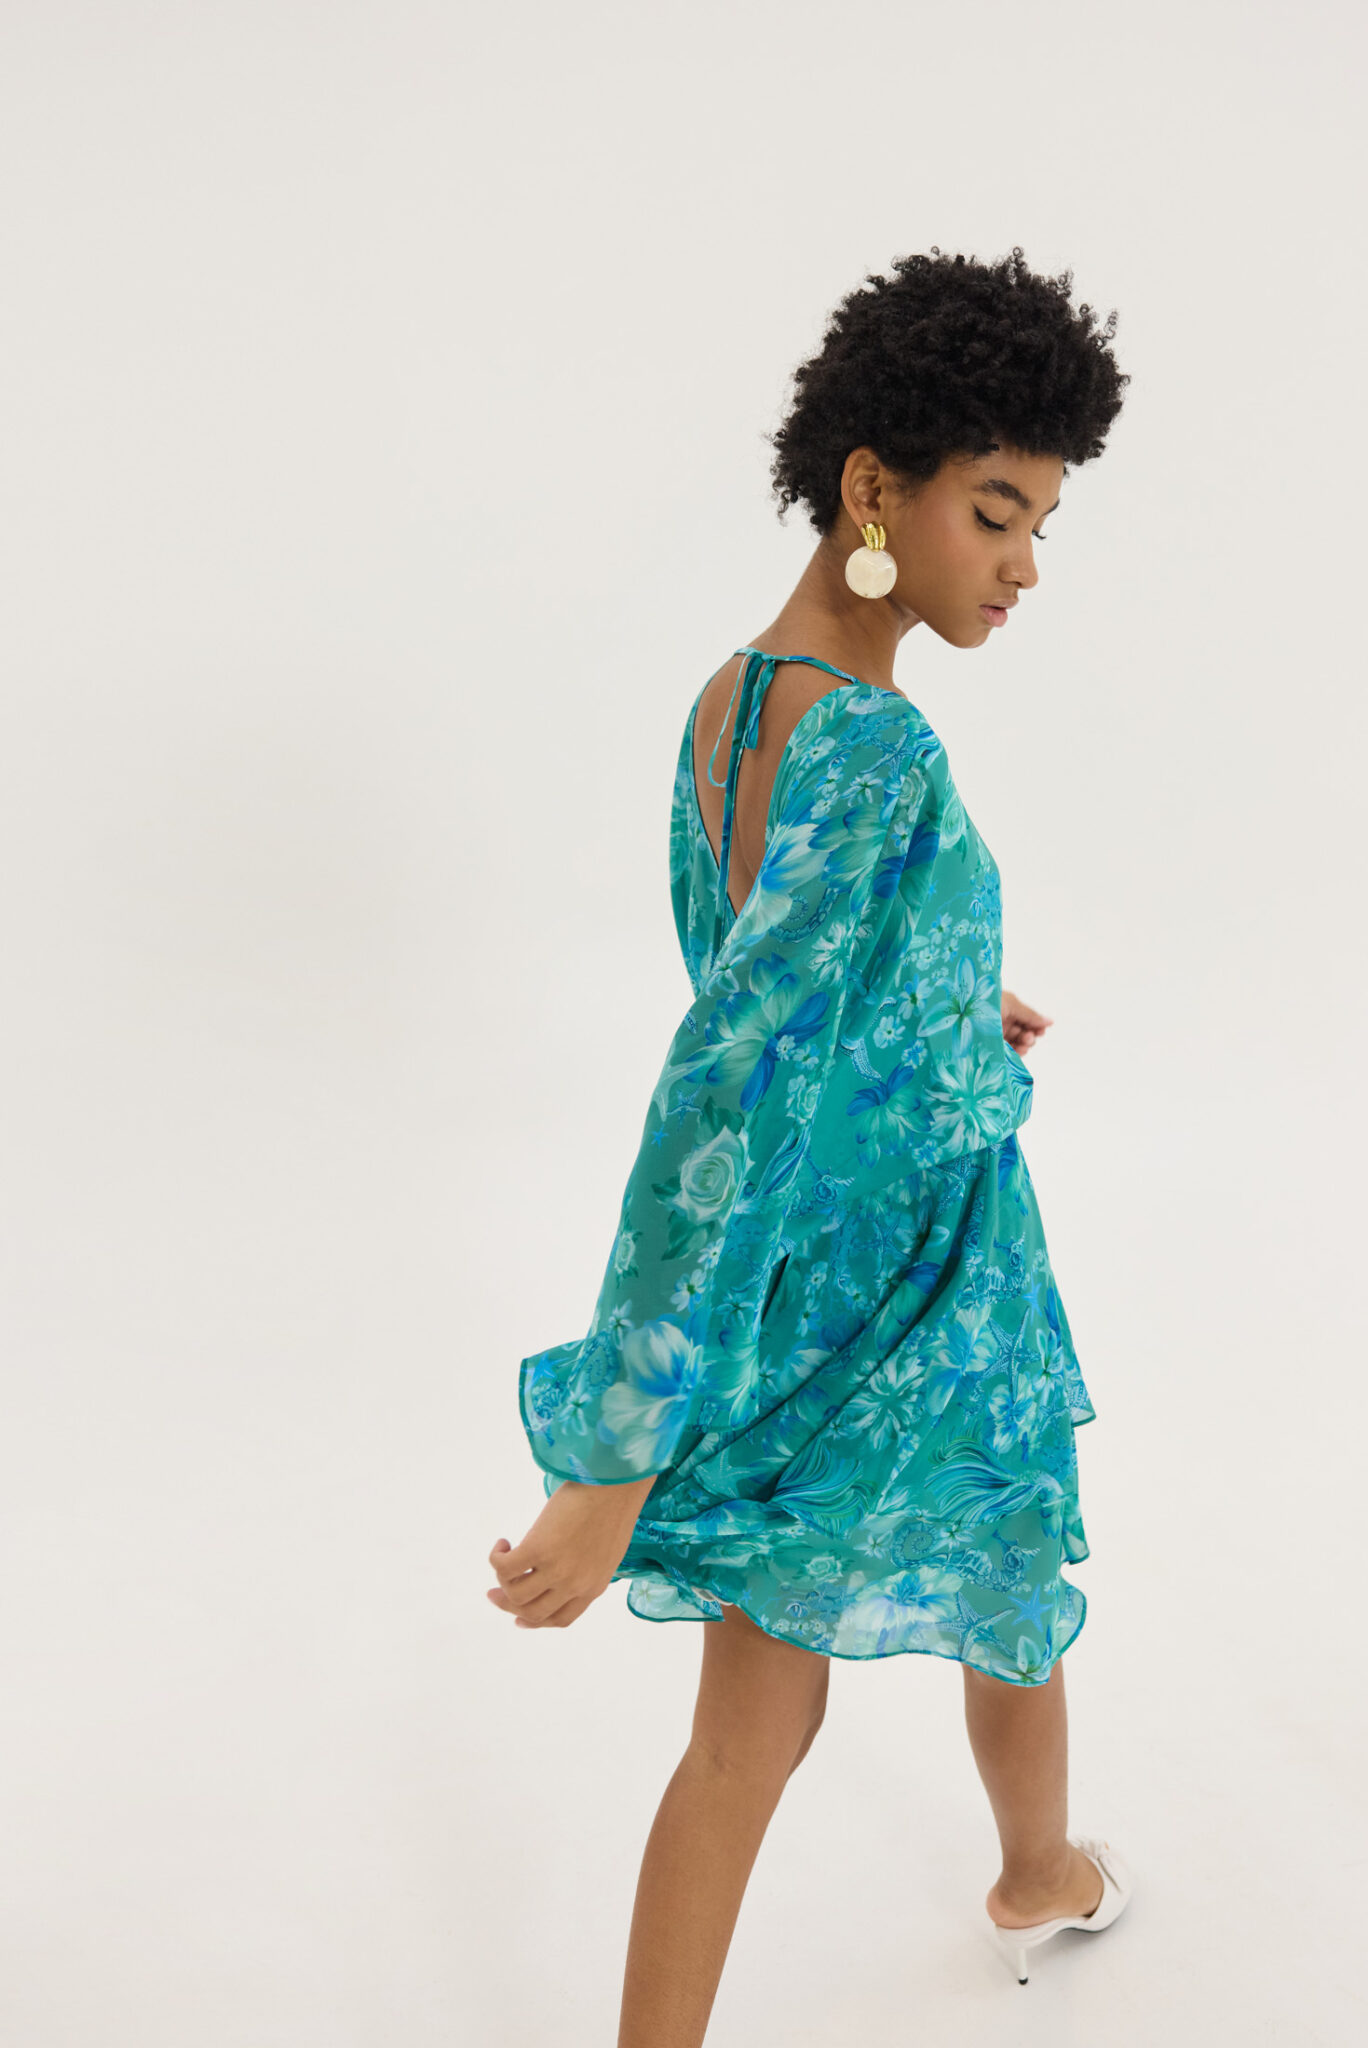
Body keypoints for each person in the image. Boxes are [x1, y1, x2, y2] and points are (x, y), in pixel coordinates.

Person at [488, 243, 1134, 2038]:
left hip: (805, 1294)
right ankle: (1040, 1876)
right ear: (872, 488)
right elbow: (728, 1082)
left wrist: (947, 995)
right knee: (1007, 1575)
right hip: (916, 1287)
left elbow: (788, 970)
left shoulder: (735, 700)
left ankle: (1028, 1878)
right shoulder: (879, 749)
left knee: (751, 1736)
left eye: (1042, 525)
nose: (1022, 565)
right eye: (994, 513)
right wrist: (615, 1450)